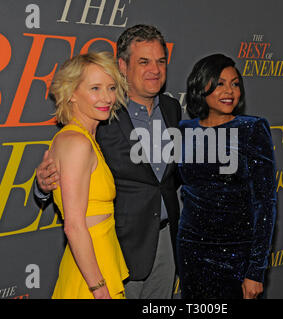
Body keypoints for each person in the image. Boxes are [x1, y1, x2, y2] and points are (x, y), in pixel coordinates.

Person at [35, 25, 181, 299]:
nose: (155, 69)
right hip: (118, 247)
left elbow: (169, 179)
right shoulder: (102, 115)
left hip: (166, 239)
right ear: (123, 65)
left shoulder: (172, 109)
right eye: (144, 62)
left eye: (161, 61)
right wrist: (42, 185)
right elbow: (66, 165)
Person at [176, 54, 277, 299]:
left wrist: (255, 270)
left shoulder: (252, 129)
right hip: (191, 251)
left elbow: (265, 203)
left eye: (235, 83)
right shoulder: (184, 130)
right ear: (202, 87)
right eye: (220, 83)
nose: (229, 91)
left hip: (236, 255)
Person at [48, 52, 129, 299]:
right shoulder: (76, 143)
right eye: (95, 88)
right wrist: (99, 289)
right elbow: (73, 226)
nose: (107, 97)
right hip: (91, 277)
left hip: (97, 262)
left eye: (111, 87)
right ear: (72, 93)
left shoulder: (84, 139)